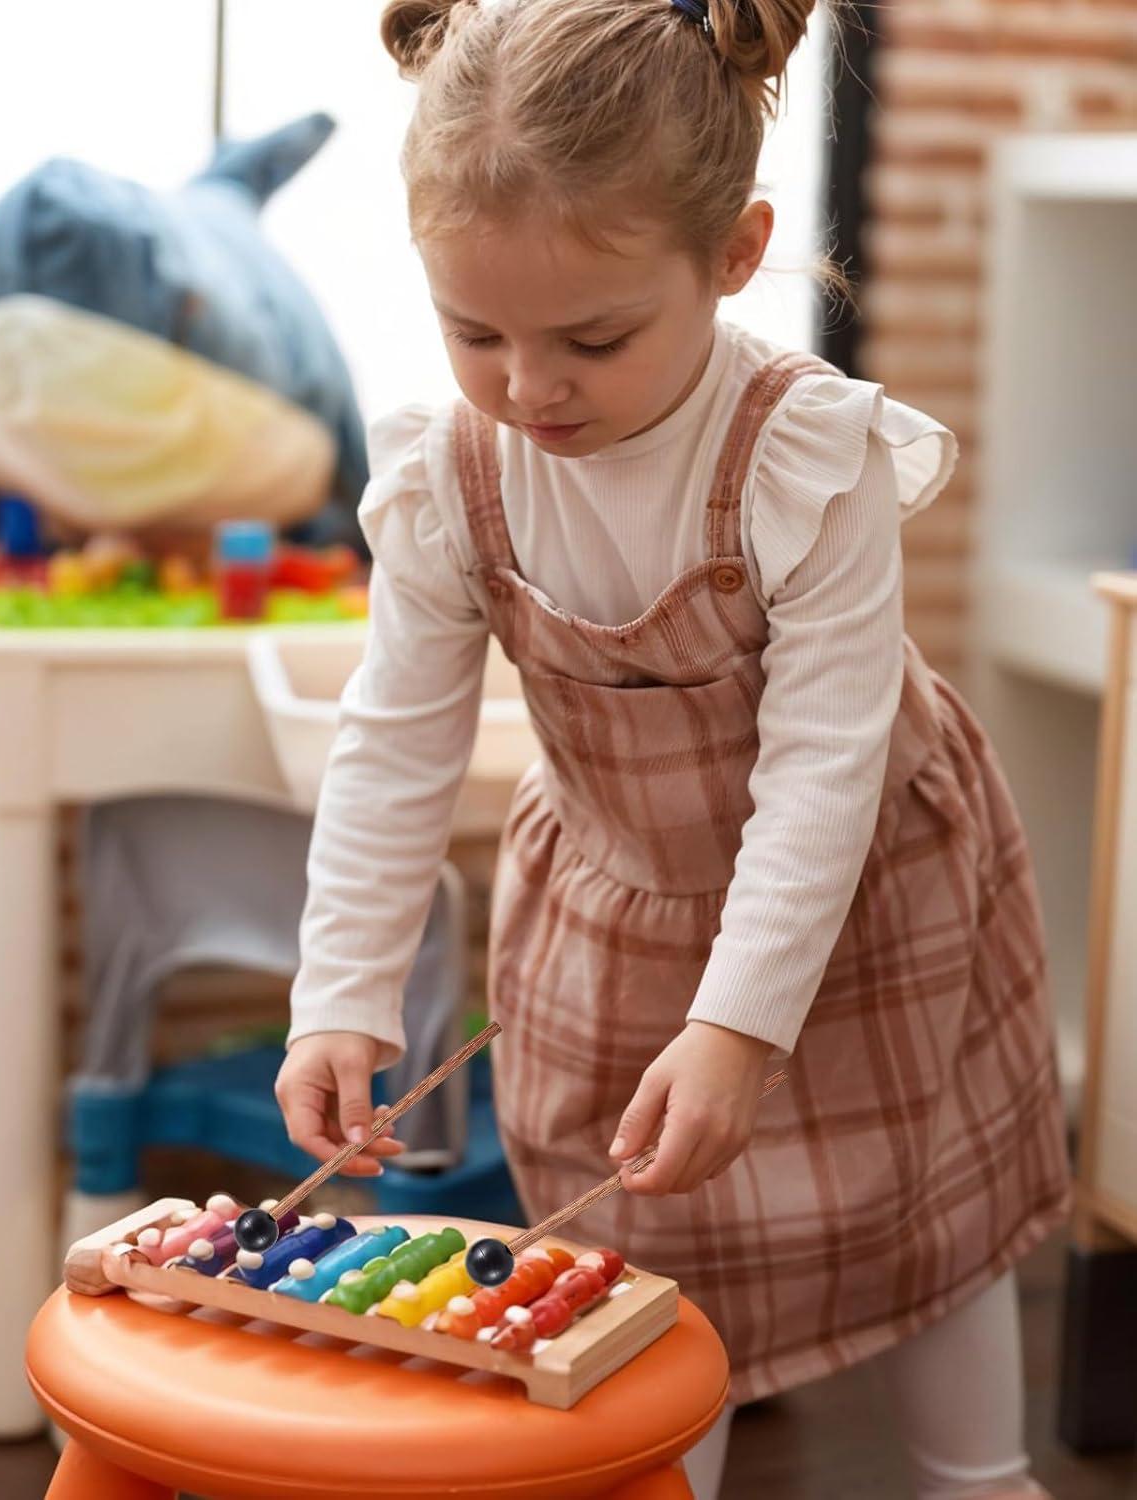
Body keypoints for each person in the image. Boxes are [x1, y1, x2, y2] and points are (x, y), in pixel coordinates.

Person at [274, 2, 1071, 1495]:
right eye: (474, 333)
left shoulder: (803, 455)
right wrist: (342, 991)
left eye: (594, 336)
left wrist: (741, 1024)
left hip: (862, 892)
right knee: (638, 1246)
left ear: (735, 252)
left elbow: (827, 766)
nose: (529, 387)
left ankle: (980, 1477)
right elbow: (394, 741)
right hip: (616, 902)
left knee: (924, 1205)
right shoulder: (452, 476)